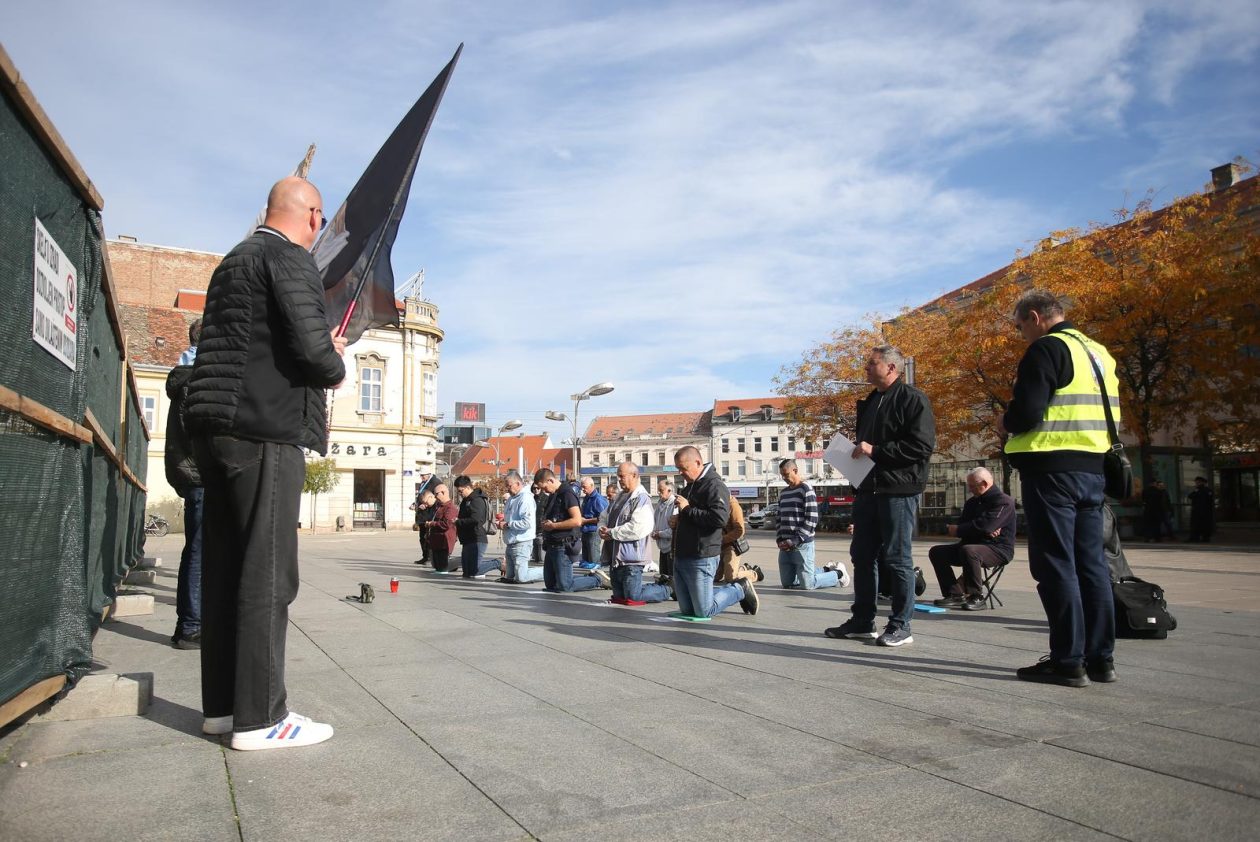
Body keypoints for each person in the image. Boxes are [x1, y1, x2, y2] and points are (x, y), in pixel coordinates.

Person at [184, 176, 346, 750]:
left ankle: (224, 709)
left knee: (226, 569)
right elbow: (313, 354)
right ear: (310, 216)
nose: (320, 230)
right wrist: (335, 355)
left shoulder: (233, 260)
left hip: (216, 429)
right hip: (265, 429)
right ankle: (262, 718)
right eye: (321, 220)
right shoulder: (290, 259)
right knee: (268, 574)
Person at [1000, 289, 1118, 687]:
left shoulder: (1046, 349)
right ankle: (1101, 658)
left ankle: (1068, 659)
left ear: (1034, 317)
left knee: (1055, 564)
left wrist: (1007, 420)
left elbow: (1029, 411)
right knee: (1093, 565)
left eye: (1020, 326)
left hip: (1052, 470)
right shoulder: (1099, 352)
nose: (1021, 335)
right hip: (1093, 468)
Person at [825, 344, 935, 648]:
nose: (866, 368)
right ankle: (863, 621)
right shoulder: (873, 400)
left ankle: (901, 625)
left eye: (872, 364)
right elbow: (867, 446)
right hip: (868, 489)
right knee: (862, 556)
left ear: (891, 368)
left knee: (897, 558)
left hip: (898, 489)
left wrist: (877, 450)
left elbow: (921, 447)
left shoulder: (913, 399)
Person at [671, 446, 757, 617]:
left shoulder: (715, 486)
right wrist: (677, 520)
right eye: (678, 469)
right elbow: (692, 518)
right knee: (687, 611)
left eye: (683, 468)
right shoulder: (689, 486)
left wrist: (687, 509)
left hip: (702, 554)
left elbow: (719, 519)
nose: (680, 473)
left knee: (704, 611)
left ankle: (739, 588)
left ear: (697, 462)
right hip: (682, 554)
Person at [164, 320, 203, 650]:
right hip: (203, 475)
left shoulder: (183, 375)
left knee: (197, 549)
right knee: (200, 551)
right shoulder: (196, 380)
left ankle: (191, 623)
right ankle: (190, 626)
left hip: (191, 474)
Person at [928, 467, 1015, 610]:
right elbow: (978, 527)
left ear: (985, 484)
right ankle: (954, 594)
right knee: (937, 552)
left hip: (997, 548)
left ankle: (977, 596)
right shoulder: (972, 503)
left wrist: (975, 529)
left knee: (969, 551)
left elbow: (984, 526)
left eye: (973, 486)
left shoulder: (1003, 502)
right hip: (970, 545)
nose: (970, 489)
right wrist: (981, 529)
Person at [599, 463, 671, 604]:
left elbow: (639, 527)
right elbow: (603, 517)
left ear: (634, 475)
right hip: (616, 557)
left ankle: (667, 589)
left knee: (633, 596)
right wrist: (601, 529)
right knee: (620, 597)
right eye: (618, 476)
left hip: (632, 558)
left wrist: (612, 532)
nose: (619, 480)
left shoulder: (642, 498)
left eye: (622, 476)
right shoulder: (618, 497)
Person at [534, 468, 608, 592]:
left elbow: (577, 520)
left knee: (565, 585)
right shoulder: (553, 495)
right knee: (551, 585)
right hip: (551, 544)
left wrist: (554, 526)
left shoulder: (567, 493)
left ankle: (597, 579)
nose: (543, 491)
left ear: (550, 480)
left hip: (563, 544)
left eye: (544, 487)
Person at [777, 459, 846, 590]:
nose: (783, 478)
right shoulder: (783, 493)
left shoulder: (806, 489)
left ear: (795, 471)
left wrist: (796, 540)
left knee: (808, 585)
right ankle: (824, 569)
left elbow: (812, 519)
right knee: (787, 583)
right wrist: (779, 539)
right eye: (782, 475)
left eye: (785, 474)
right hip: (785, 546)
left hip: (802, 544)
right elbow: (779, 517)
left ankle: (838, 573)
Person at [499, 471, 542, 583]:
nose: (507, 489)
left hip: (522, 541)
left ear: (518, 484)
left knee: (521, 577)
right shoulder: (511, 499)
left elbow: (527, 523)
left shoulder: (525, 499)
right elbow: (511, 519)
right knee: (510, 576)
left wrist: (508, 524)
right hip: (511, 541)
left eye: (509, 486)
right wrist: (502, 522)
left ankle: (548, 571)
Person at [453, 475, 497, 578]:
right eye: (458, 491)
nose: (460, 494)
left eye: (461, 491)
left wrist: (458, 522)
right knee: (467, 572)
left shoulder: (477, 500)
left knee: (474, 571)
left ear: (468, 487)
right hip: (467, 539)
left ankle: (497, 563)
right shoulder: (466, 501)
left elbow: (477, 520)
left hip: (477, 538)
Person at [716, 494, 757, 585]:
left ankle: (753, 573)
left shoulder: (733, 505)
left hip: (731, 546)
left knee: (730, 578)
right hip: (718, 547)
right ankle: (742, 568)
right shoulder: (713, 504)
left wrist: (721, 540)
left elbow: (739, 530)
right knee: (715, 577)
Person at [428, 484, 459, 572]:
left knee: (442, 568)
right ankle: (452, 566)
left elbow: (447, 524)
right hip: (436, 540)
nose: (435, 497)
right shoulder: (439, 506)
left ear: (444, 492)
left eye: (436, 494)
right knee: (437, 566)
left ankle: (457, 563)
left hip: (444, 541)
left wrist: (432, 524)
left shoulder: (450, 508)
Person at [578, 477, 609, 567]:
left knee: (594, 560)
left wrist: (586, 520)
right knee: (586, 561)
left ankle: (596, 578)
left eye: (584, 487)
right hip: (585, 531)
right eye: (581, 487)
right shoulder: (586, 498)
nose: (583, 489)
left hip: (593, 532)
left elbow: (603, 518)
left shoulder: (598, 499)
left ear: (592, 486)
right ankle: (587, 578)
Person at [653, 479, 677, 581]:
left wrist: (660, 534)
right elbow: (654, 521)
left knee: (671, 578)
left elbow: (674, 529)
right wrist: (654, 532)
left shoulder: (675, 504)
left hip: (671, 548)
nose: (658, 492)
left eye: (661, 490)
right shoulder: (659, 503)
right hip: (662, 547)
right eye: (658, 490)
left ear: (669, 490)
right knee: (663, 577)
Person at [1188, 476, 1215, 543]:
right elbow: (1190, 496)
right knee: (1198, 525)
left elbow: (1210, 501)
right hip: (1199, 511)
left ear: (1202, 482)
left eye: (1198, 482)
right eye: (1196, 482)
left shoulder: (1207, 490)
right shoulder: (1199, 490)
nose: (1196, 483)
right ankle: (1199, 537)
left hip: (1203, 511)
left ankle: (1201, 538)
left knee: (1201, 525)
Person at [413, 490, 436, 565]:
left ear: (431, 497)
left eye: (426, 502)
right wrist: (420, 510)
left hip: (432, 527)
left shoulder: (436, 505)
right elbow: (420, 518)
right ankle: (425, 557)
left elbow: (431, 517)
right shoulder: (427, 506)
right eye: (424, 503)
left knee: (430, 542)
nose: (425, 504)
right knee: (423, 540)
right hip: (424, 526)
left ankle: (430, 557)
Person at [532, 481, 551, 565]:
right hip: (533, 526)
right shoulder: (532, 499)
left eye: (537, 488)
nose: (536, 490)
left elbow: (548, 512)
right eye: (534, 488)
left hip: (541, 526)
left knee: (541, 557)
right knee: (535, 557)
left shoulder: (546, 498)